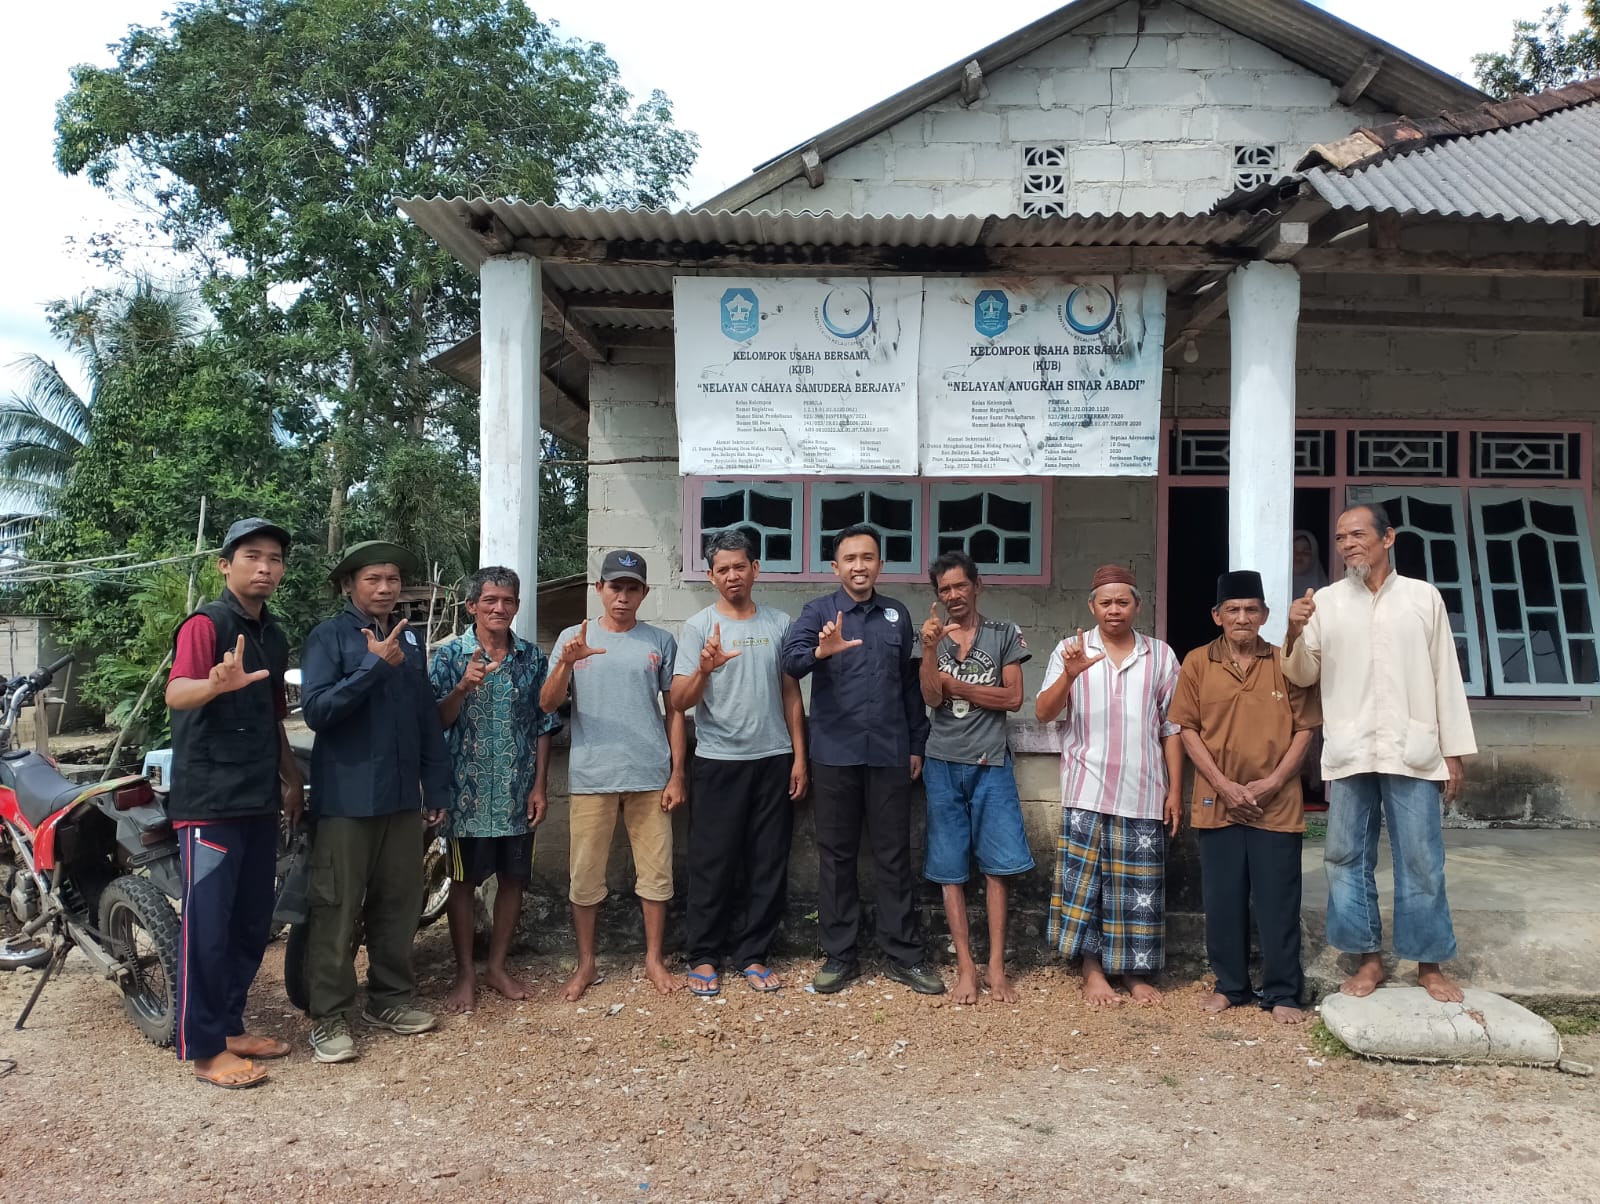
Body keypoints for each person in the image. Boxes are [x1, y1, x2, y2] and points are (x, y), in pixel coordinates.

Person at [1283, 503, 1476, 1003]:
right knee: (1346, 856)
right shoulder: (1325, 601)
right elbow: (1302, 674)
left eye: (1357, 534)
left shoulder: (1422, 598)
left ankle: (1428, 964)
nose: (1348, 544)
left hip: (1412, 748)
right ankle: (1367, 960)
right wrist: (1294, 631)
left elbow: (1445, 678)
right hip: (1351, 750)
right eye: (1341, 537)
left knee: (1421, 859)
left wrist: (1453, 750)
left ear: (1387, 538)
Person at [300, 541, 450, 1062]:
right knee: (337, 907)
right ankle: (329, 1016)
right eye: (373, 580)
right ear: (349, 586)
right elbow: (317, 711)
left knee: (399, 903)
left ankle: (389, 998)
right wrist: (373, 667)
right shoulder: (328, 636)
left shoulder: (410, 639)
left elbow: (425, 718)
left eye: (392, 579)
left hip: (402, 798)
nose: (385, 588)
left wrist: (437, 787)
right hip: (347, 799)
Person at [164, 517, 301, 1089]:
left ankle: (230, 1025)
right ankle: (203, 1048)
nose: (264, 567)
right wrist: (215, 684)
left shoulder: (273, 633)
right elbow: (177, 692)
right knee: (209, 928)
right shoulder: (205, 624)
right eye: (252, 556)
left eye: (274, 558)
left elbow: (272, 718)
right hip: (211, 802)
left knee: (250, 923)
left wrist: (291, 778)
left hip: (258, 798)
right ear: (226, 565)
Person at [781, 524, 943, 996]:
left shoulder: (897, 615)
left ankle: (903, 955)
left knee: (894, 857)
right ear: (836, 567)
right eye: (850, 558)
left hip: (890, 753)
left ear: (879, 564)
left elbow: (910, 686)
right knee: (836, 857)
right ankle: (840, 955)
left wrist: (917, 743)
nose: (859, 566)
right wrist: (819, 651)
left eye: (868, 557)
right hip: (834, 755)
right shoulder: (818, 612)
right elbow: (790, 664)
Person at [1170, 570, 1320, 1025]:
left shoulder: (1285, 663)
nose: (1242, 617)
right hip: (1218, 801)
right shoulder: (1197, 662)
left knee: (1278, 902)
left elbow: (1305, 730)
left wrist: (1272, 783)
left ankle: (1282, 992)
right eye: (1232, 610)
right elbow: (1187, 729)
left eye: (1251, 609)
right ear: (1217, 616)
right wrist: (1223, 785)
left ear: (1265, 615)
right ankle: (1229, 986)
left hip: (1276, 802)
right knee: (1222, 901)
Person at [540, 550, 686, 1001]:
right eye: (614, 587)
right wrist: (566, 662)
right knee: (584, 877)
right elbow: (547, 705)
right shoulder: (573, 637)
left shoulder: (659, 641)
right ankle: (586, 964)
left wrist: (678, 773)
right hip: (591, 775)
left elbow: (676, 711)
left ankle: (653, 959)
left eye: (632, 588)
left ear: (644, 593)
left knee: (656, 875)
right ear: (599, 590)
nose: (622, 597)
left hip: (649, 774)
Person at [1035, 565, 1181, 1007]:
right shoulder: (1069, 650)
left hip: (1143, 790)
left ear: (1137, 605)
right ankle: (1093, 970)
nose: (1113, 610)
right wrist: (1071, 674)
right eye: (1105, 602)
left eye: (1122, 602)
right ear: (1091, 606)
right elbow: (1043, 712)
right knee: (1090, 887)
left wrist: (1174, 790)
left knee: (1140, 889)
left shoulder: (1161, 655)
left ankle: (1135, 973)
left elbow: (1171, 728)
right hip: (1087, 788)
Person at [670, 531, 807, 996]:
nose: (733, 575)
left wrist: (799, 757)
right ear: (710, 577)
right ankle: (704, 954)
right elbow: (678, 700)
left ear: (755, 569)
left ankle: (754, 953)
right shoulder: (698, 628)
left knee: (767, 861)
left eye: (740, 566)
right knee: (713, 861)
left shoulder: (780, 624)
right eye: (723, 569)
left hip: (773, 759)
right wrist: (705, 669)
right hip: (718, 761)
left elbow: (792, 693)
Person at [429, 566, 560, 1014]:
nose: (499, 608)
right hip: (466, 797)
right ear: (472, 607)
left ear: (517, 606)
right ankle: (465, 972)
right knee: (463, 883)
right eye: (490, 601)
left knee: (513, 881)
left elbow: (543, 723)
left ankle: (497, 967)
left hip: (516, 793)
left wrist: (539, 785)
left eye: (507, 601)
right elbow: (435, 723)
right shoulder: (450, 657)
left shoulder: (531, 658)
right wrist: (462, 687)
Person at [917, 551, 1032, 1005]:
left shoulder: (1004, 633)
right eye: (944, 590)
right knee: (949, 871)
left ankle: (996, 966)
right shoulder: (930, 638)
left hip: (991, 763)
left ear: (977, 585)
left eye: (960, 586)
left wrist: (960, 688)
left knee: (998, 869)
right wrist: (928, 651)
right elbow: (930, 695)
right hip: (942, 762)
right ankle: (965, 966)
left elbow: (1013, 698)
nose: (953, 596)